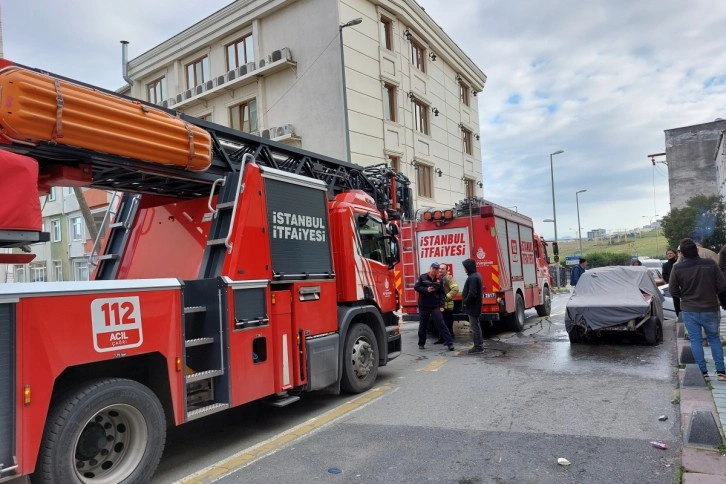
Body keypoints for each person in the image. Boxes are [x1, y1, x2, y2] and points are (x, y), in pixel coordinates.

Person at [669, 238, 726, 381]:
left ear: (681, 254)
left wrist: (685, 296)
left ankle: (703, 373)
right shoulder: (711, 264)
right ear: (697, 250)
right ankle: (721, 372)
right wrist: (711, 293)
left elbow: (673, 290)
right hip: (710, 308)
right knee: (714, 339)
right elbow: (722, 285)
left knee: (695, 340)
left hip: (689, 309)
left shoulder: (677, 268)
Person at [414, 262, 454, 351]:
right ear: (430, 268)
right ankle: (421, 343)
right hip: (424, 306)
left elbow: (441, 293)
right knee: (423, 325)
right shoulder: (422, 277)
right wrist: (426, 289)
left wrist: (442, 305)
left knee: (441, 324)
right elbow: (416, 287)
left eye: (437, 269)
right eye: (434, 268)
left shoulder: (439, 279)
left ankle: (450, 343)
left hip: (435, 306)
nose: (435, 270)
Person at [461, 258, 484, 354]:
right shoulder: (475, 275)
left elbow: (472, 294)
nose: (464, 269)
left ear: (468, 267)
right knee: (476, 326)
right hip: (475, 306)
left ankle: (478, 347)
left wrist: (465, 302)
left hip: (473, 306)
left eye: (465, 267)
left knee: (475, 327)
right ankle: (479, 345)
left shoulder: (473, 277)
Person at [434, 263, 459, 344]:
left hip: (447, 305)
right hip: (439, 305)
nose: (440, 270)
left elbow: (455, 289)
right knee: (440, 322)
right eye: (439, 268)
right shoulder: (437, 278)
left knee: (447, 322)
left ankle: (449, 338)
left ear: (447, 270)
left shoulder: (449, 278)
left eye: (443, 269)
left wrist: (445, 297)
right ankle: (442, 338)